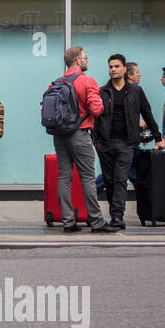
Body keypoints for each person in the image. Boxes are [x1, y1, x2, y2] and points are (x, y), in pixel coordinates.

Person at [50, 47, 117, 234]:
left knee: (64, 177)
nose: (87, 60)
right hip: (79, 133)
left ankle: (67, 221)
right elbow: (96, 110)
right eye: (85, 58)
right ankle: (96, 222)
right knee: (87, 177)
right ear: (78, 61)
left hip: (59, 135)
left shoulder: (56, 83)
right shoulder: (87, 81)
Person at [95, 53, 165, 229]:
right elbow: (95, 116)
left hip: (127, 143)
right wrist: (96, 140)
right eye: (110, 67)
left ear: (125, 69)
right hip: (105, 143)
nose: (113, 70)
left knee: (120, 179)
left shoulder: (136, 91)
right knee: (109, 181)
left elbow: (147, 113)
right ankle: (115, 214)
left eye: (116, 66)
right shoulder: (103, 91)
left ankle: (117, 217)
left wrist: (158, 137)